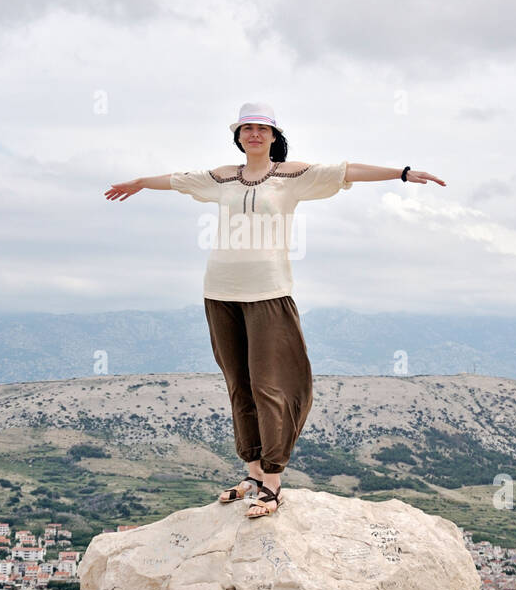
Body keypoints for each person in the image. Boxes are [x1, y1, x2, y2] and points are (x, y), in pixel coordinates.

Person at [104, 102, 445, 517]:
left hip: (268, 293)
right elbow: (177, 180)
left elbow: (346, 170)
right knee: (238, 384)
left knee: (271, 385)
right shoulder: (223, 178)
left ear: (273, 136)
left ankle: (273, 483)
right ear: (238, 135)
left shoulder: (290, 176)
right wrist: (139, 181)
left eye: (261, 129)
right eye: (246, 128)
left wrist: (404, 173)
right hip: (220, 292)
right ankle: (251, 473)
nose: (253, 134)